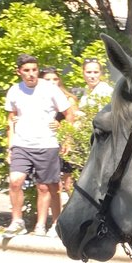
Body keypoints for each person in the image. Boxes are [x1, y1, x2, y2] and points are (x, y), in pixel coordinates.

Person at [3, 55, 72, 237]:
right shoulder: (14, 91)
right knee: (15, 180)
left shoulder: (50, 89)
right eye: (26, 70)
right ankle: (17, 221)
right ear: (19, 72)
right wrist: (10, 145)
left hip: (46, 143)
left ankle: (41, 225)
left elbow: (68, 114)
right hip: (22, 144)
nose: (31, 74)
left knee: (44, 186)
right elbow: (10, 119)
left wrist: (66, 138)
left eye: (34, 69)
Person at [41, 67, 81, 196]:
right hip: (45, 143)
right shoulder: (39, 98)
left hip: (65, 144)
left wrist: (61, 126)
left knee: (68, 182)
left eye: (55, 79)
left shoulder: (68, 99)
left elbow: (75, 123)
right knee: (49, 183)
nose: (52, 82)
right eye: (47, 80)